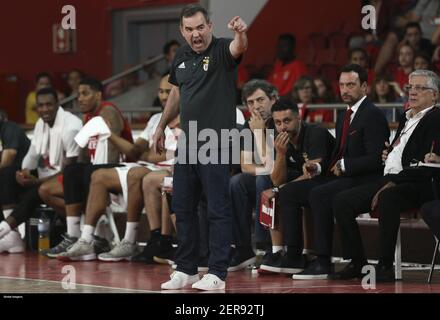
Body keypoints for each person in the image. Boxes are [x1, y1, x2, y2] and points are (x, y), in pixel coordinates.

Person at [154, 4, 248, 291]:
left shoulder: (221, 50)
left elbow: (238, 48)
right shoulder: (181, 56)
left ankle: (217, 273)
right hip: (188, 141)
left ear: (209, 26)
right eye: (189, 29)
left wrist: (241, 34)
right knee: (182, 207)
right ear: (183, 31)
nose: (196, 34)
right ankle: (186, 269)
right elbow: (176, 92)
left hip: (217, 141)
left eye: (200, 27)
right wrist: (160, 125)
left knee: (217, 209)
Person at [270, 64, 389, 280]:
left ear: (364, 86)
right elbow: (335, 155)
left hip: (365, 179)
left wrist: (344, 166)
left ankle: (323, 261)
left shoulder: (373, 114)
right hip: (343, 176)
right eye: (342, 85)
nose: (345, 89)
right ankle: (294, 256)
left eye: (351, 85)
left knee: (320, 194)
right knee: (289, 192)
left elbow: (376, 159)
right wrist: (317, 167)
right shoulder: (344, 115)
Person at [331, 69, 440, 282]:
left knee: (388, 197)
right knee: (342, 201)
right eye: (410, 87)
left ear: (435, 95)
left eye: (420, 88)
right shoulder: (406, 117)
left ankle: (384, 266)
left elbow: (425, 162)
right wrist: (389, 155)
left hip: (421, 182)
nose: (413, 92)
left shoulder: (436, 118)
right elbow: (403, 150)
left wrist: (392, 180)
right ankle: (357, 262)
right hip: (390, 178)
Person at [56, 75, 179, 261]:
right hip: (149, 167)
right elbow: (137, 150)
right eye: (160, 91)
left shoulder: (188, 117)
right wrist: (111, 136)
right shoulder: (155, 119)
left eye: (168, 92)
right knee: (98, 175)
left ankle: (131, 240)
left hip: (172, 169)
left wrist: (148, 155)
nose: (163, 96)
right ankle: (86, 239)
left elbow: (175, 153)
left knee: (138, 174)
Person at [43, 77, 134, 258]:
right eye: (78, 95)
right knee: (63, 178)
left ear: (98, 95)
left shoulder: (108, 111)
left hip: (121, 167)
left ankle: (91, 235)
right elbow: (84, 155)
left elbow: (112, 150)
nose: (80, 99)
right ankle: (75, 234)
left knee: (86, 173)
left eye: (85, 94)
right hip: (96, 169)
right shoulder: (88, 117)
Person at [0, 87, 82, 252]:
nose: (45, 109)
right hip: (47, 176)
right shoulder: (40, 123)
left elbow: (69, 172)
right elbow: (31, 156)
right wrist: (23, 173)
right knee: (7, 175)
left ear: (58, 104)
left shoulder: (71, 126)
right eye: (41, 105)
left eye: (49, 105)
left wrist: (35, 181)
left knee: (37, 191)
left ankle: (5, 230)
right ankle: (12, 235)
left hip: (73, 179)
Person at [257, 100, 334, 274]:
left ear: (298, 118)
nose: (282, 127)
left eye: (287, 120)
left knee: (287, 191)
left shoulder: (316, 133)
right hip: (309, 185)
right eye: (278, 122)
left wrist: (278, 189)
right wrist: (281, 154)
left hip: (332, 180)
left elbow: (311, 173)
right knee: (277, 189)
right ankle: (283, 253)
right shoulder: (281, 141)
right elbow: (277, 180)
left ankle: (296, 254)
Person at [228, 79, 279, 271]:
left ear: (273, 99)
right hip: (263, 175)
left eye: (260, 100)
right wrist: (261, 168)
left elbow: (273, 166)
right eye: (250, 102)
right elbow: (246, 166)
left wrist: (259, 134)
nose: (256, 106)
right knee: (236, 182)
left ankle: (267, 247)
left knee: (263, 180)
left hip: (287, 176)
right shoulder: (246, 128)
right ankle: (242, 249)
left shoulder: (281, 120)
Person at [0, 109, 31, 219]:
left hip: (26, 172)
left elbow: (8, 159)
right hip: (11, 174)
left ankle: (10, 227)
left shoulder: (10, 128)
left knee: (5, 173)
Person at [267, 33, 308, 98]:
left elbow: (300, 90)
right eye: (279, 46)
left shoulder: (298, 66)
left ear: (292, 48)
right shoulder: (277, 66)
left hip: (288, 103)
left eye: (284, 46)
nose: (280, 49)